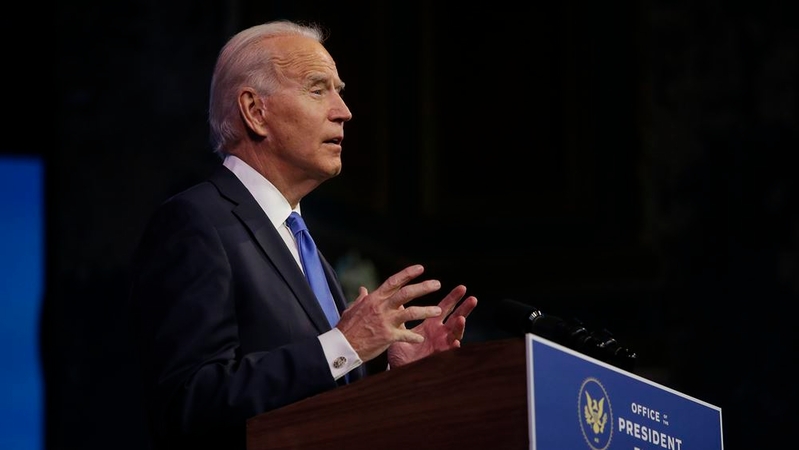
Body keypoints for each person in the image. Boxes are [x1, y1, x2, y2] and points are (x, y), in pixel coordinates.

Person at [128, 19, 478, 450]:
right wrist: (344, 343)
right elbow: (189, 401)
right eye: (318, 89)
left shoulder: (303, 247)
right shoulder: (196, 222)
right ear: (255, 112)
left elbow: (325, 405)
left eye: (340, 91)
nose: (343, 111)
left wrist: (391, 380)